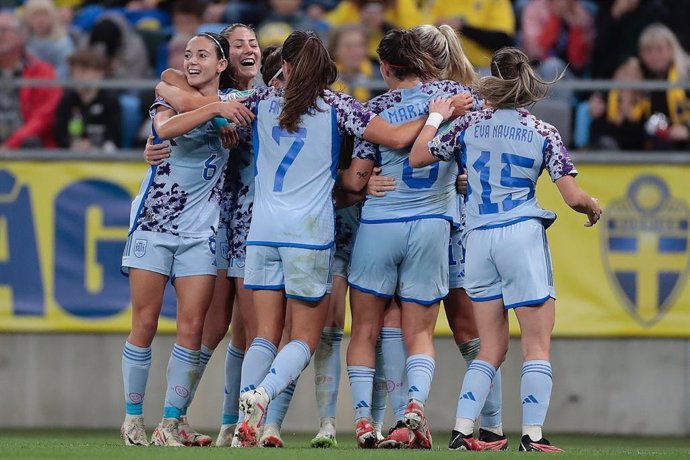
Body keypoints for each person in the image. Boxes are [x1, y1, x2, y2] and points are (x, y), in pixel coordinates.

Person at [233, 30, 453, 448]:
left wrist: (165, 101)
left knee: (263, 334)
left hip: (261, 232)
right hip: (308, 235)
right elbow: (396, 138)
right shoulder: (337, 105)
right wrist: (436, 115)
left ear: (286, 66)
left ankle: (244, 425)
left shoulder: (259, 101)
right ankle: (260, 399)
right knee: (304, 338)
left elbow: (203, 105)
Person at [409, 46, 602, 452]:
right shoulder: (542, 131)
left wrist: (436, 117)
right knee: (536, 343)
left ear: (490, 81)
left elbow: (418, 156)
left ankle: (463, 430)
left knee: (491, 346)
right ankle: (532, 435)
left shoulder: (467, 128)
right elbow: (572, 197)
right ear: (528, 81)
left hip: (478, 239)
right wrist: (591, 205)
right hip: (520, 235)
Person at [337, 26, 474, 450]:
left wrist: (367, 180)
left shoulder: (375, 108)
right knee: (419, 333)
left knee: (363, 329)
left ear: (385, 67)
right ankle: (413, 408)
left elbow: (357, 180)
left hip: (380, 225)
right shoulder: (457, 97)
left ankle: (363, 421)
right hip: (433, 224)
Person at [119, 31, 254, 447]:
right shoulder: (176, 97)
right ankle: (132, 419)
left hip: (201, 233)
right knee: (144, 321)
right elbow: (164, 124)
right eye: (188, 54)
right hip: (155, 223)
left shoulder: (239, 103)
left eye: (202, 55)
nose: (192, 60)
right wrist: (216, 110)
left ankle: (170, 422)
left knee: (192, 329)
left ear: (221, 65)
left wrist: (221, 109)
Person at [153, 23, 262, 448]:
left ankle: (233, 424)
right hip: (217, 218)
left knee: (250, 330)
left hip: (254, 223)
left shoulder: (260, 97)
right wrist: (210, 109)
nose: (247, 50)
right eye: (238, 45)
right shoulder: (219, 97)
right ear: (225, 59)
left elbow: (170, 86)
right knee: (212, 327)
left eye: (253, 44)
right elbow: (168, 80)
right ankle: (173, 416)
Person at [0, 11, 61, 149]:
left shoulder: (42, 72)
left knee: (31, 143)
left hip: (24, 145)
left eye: (3, 30)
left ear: (21, 36)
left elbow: (43, 117)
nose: (0, 36)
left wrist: (11, 144)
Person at [54, 47, 122, 151]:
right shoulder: (66, 100)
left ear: (99, 73)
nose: (77, 77)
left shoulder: (110, 101)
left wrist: (95, 145)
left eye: (83, 71)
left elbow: (114, 137)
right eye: (74, 72)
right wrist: (73, 144)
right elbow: (59, 134)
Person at [22, 0, 75, 79]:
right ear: (27, 18)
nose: (40, 20)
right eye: (35, 15)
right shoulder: (22, 40)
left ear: (53, 17)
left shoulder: (62, 42)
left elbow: (65, 70)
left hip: (52, 86)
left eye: (44, 15)